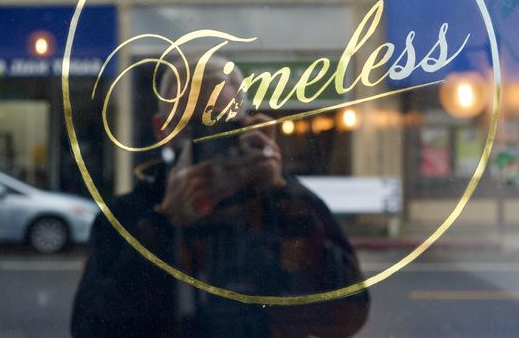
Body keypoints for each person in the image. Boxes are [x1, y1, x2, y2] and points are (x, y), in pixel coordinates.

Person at [71, 55, 369, 337]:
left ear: (246, 126)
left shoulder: (279, 202)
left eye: (221, 125)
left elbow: (348, 315)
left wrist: (279, 193)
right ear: (161, 130)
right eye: (189, 126)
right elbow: (91, 328)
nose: (206, 140)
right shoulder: (128, 216)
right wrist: (163, 225)